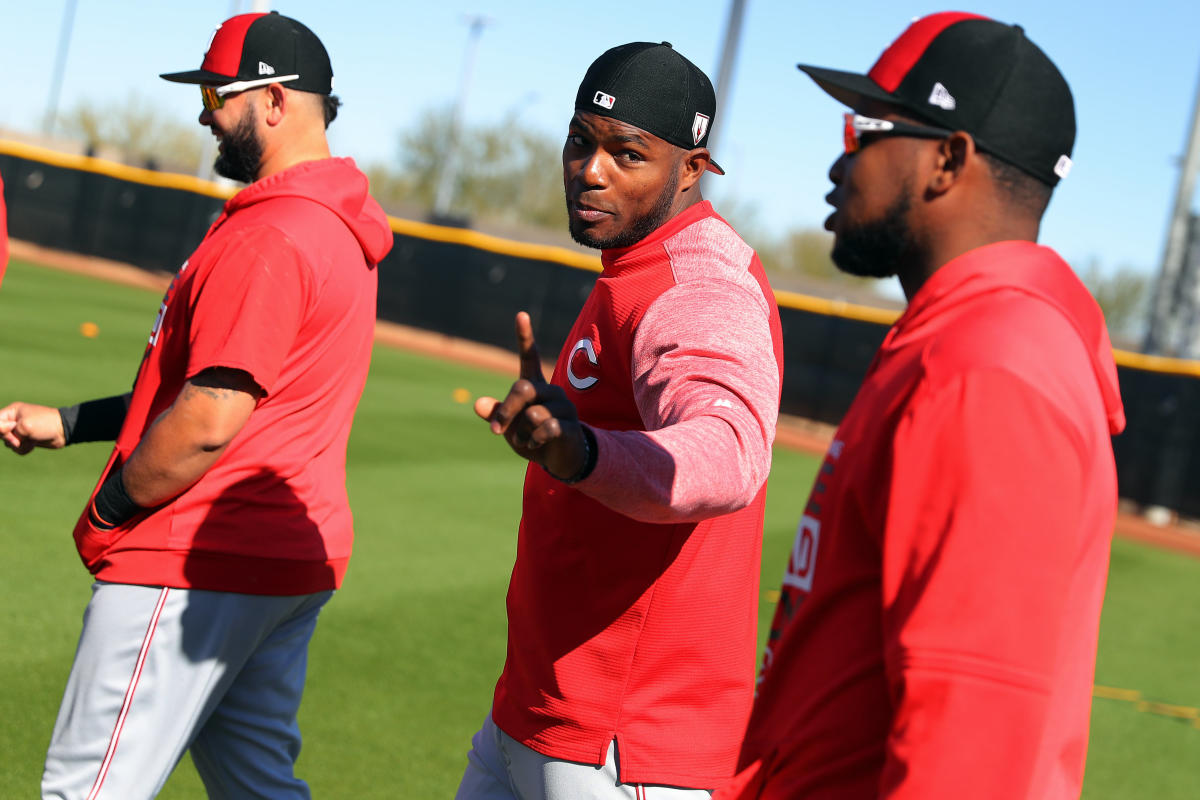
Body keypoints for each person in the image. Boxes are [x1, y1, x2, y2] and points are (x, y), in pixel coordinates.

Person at [718, 12, 1126, 800]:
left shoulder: (990, 366)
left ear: (948, 159)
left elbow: (967, 752)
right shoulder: (964, 337)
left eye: (866, 127)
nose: (842, 159)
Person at [0, 12, 392, 799]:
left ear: (274, 101)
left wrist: (112, 510)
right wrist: (72, 424)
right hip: (283, 562)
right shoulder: (337, 229)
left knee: (87, 788)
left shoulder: (273, 233)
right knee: (257, 786)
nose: (204, 111)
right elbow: (218, 390)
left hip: (195, 559)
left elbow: (209, 419)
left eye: (217, 92)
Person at [458, 42, 785, 800]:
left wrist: (580, 454)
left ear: (691, 170)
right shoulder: (635, 262)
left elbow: (729, 450)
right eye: (581, 141)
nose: (591, 169)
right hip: (539, 715)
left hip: (624, 747)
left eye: (627, 153)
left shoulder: (699, 283)